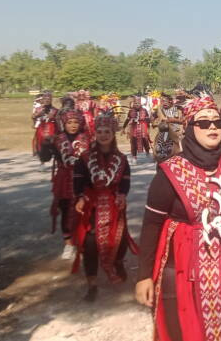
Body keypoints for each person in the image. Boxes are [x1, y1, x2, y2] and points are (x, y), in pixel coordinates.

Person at [133, 92, 221, 341]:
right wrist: (144, 276)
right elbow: (152, 225)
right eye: (203, 122)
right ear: (190, 128)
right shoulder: (171, 171)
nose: (212, 127)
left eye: (217, 122)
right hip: (180, 268)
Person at [71, 114, 137, 302]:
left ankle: (118, 261)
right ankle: (92, 283)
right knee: (90, 243)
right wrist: (80, 197)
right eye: (99, 131)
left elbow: (125, 180)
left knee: (120, 239)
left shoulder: (121, 159)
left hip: (114, 204)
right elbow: (78, 180)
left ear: (113, 133)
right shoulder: (85, 158)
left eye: (107, 131)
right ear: (95, 134)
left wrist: (122, 194)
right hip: (92, 204)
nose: (103, 135)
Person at [51, 110, 89, 259]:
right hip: (64, 179)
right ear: (64, 124)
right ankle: (68, 244)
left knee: (84, 210)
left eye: (76, 122)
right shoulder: (57, 139)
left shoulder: (87, 138)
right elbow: (45, 157)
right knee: (65, 209)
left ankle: (82, 242)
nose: (73, 125)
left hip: (83, 179)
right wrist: (45, 146)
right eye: (69, 122)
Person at [153, 94, 183, 162]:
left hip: (175, 130)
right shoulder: (159, 109)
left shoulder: (176, 109)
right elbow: (153, 119)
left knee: (179, 141)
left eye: (165, 101)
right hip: (163, 130)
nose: (164, 103)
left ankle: (180, 155)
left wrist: (172, 120)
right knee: (158, 140)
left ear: (170, 101)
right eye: (162, 101)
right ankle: (157, 155)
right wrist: (155, 122)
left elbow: (180, 120)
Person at [123, 95, 152, 164]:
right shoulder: (131, 111)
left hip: (143, 126)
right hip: (134, 127)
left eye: (138, 103)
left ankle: (148, 153)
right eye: (135, 103)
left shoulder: (144, 110)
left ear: (140, 103)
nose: (137, 104)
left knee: (145, 139)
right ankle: (134, 157)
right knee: (133, 141)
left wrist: (149, 128)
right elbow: (127, 119)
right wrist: (123, 128)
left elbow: (147, 119)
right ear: (133, 103)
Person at [31, 92, 58, 164]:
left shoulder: (55, 110)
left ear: (51, 99)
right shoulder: (39, 109)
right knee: (39, 140)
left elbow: (58, 119)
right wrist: (37, 116)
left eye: (49, 98)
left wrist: (53, 118)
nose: (47, 100)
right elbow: (33, 117)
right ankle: (41, 157)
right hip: (42, 127)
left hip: (51, 127)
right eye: (45, 98)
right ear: (42, 99)